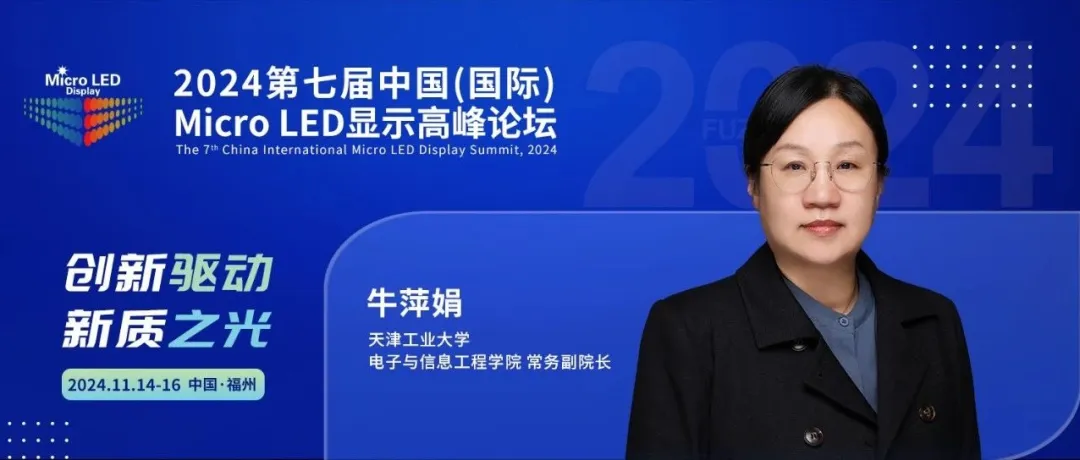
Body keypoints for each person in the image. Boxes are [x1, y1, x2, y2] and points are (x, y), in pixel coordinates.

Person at [625, 65, 980, 460]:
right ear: (753, 185)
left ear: (879, 183)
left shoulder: (933, 321)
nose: (822, 195)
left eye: (847, 165)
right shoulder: (689, 331)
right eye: (794, 167)